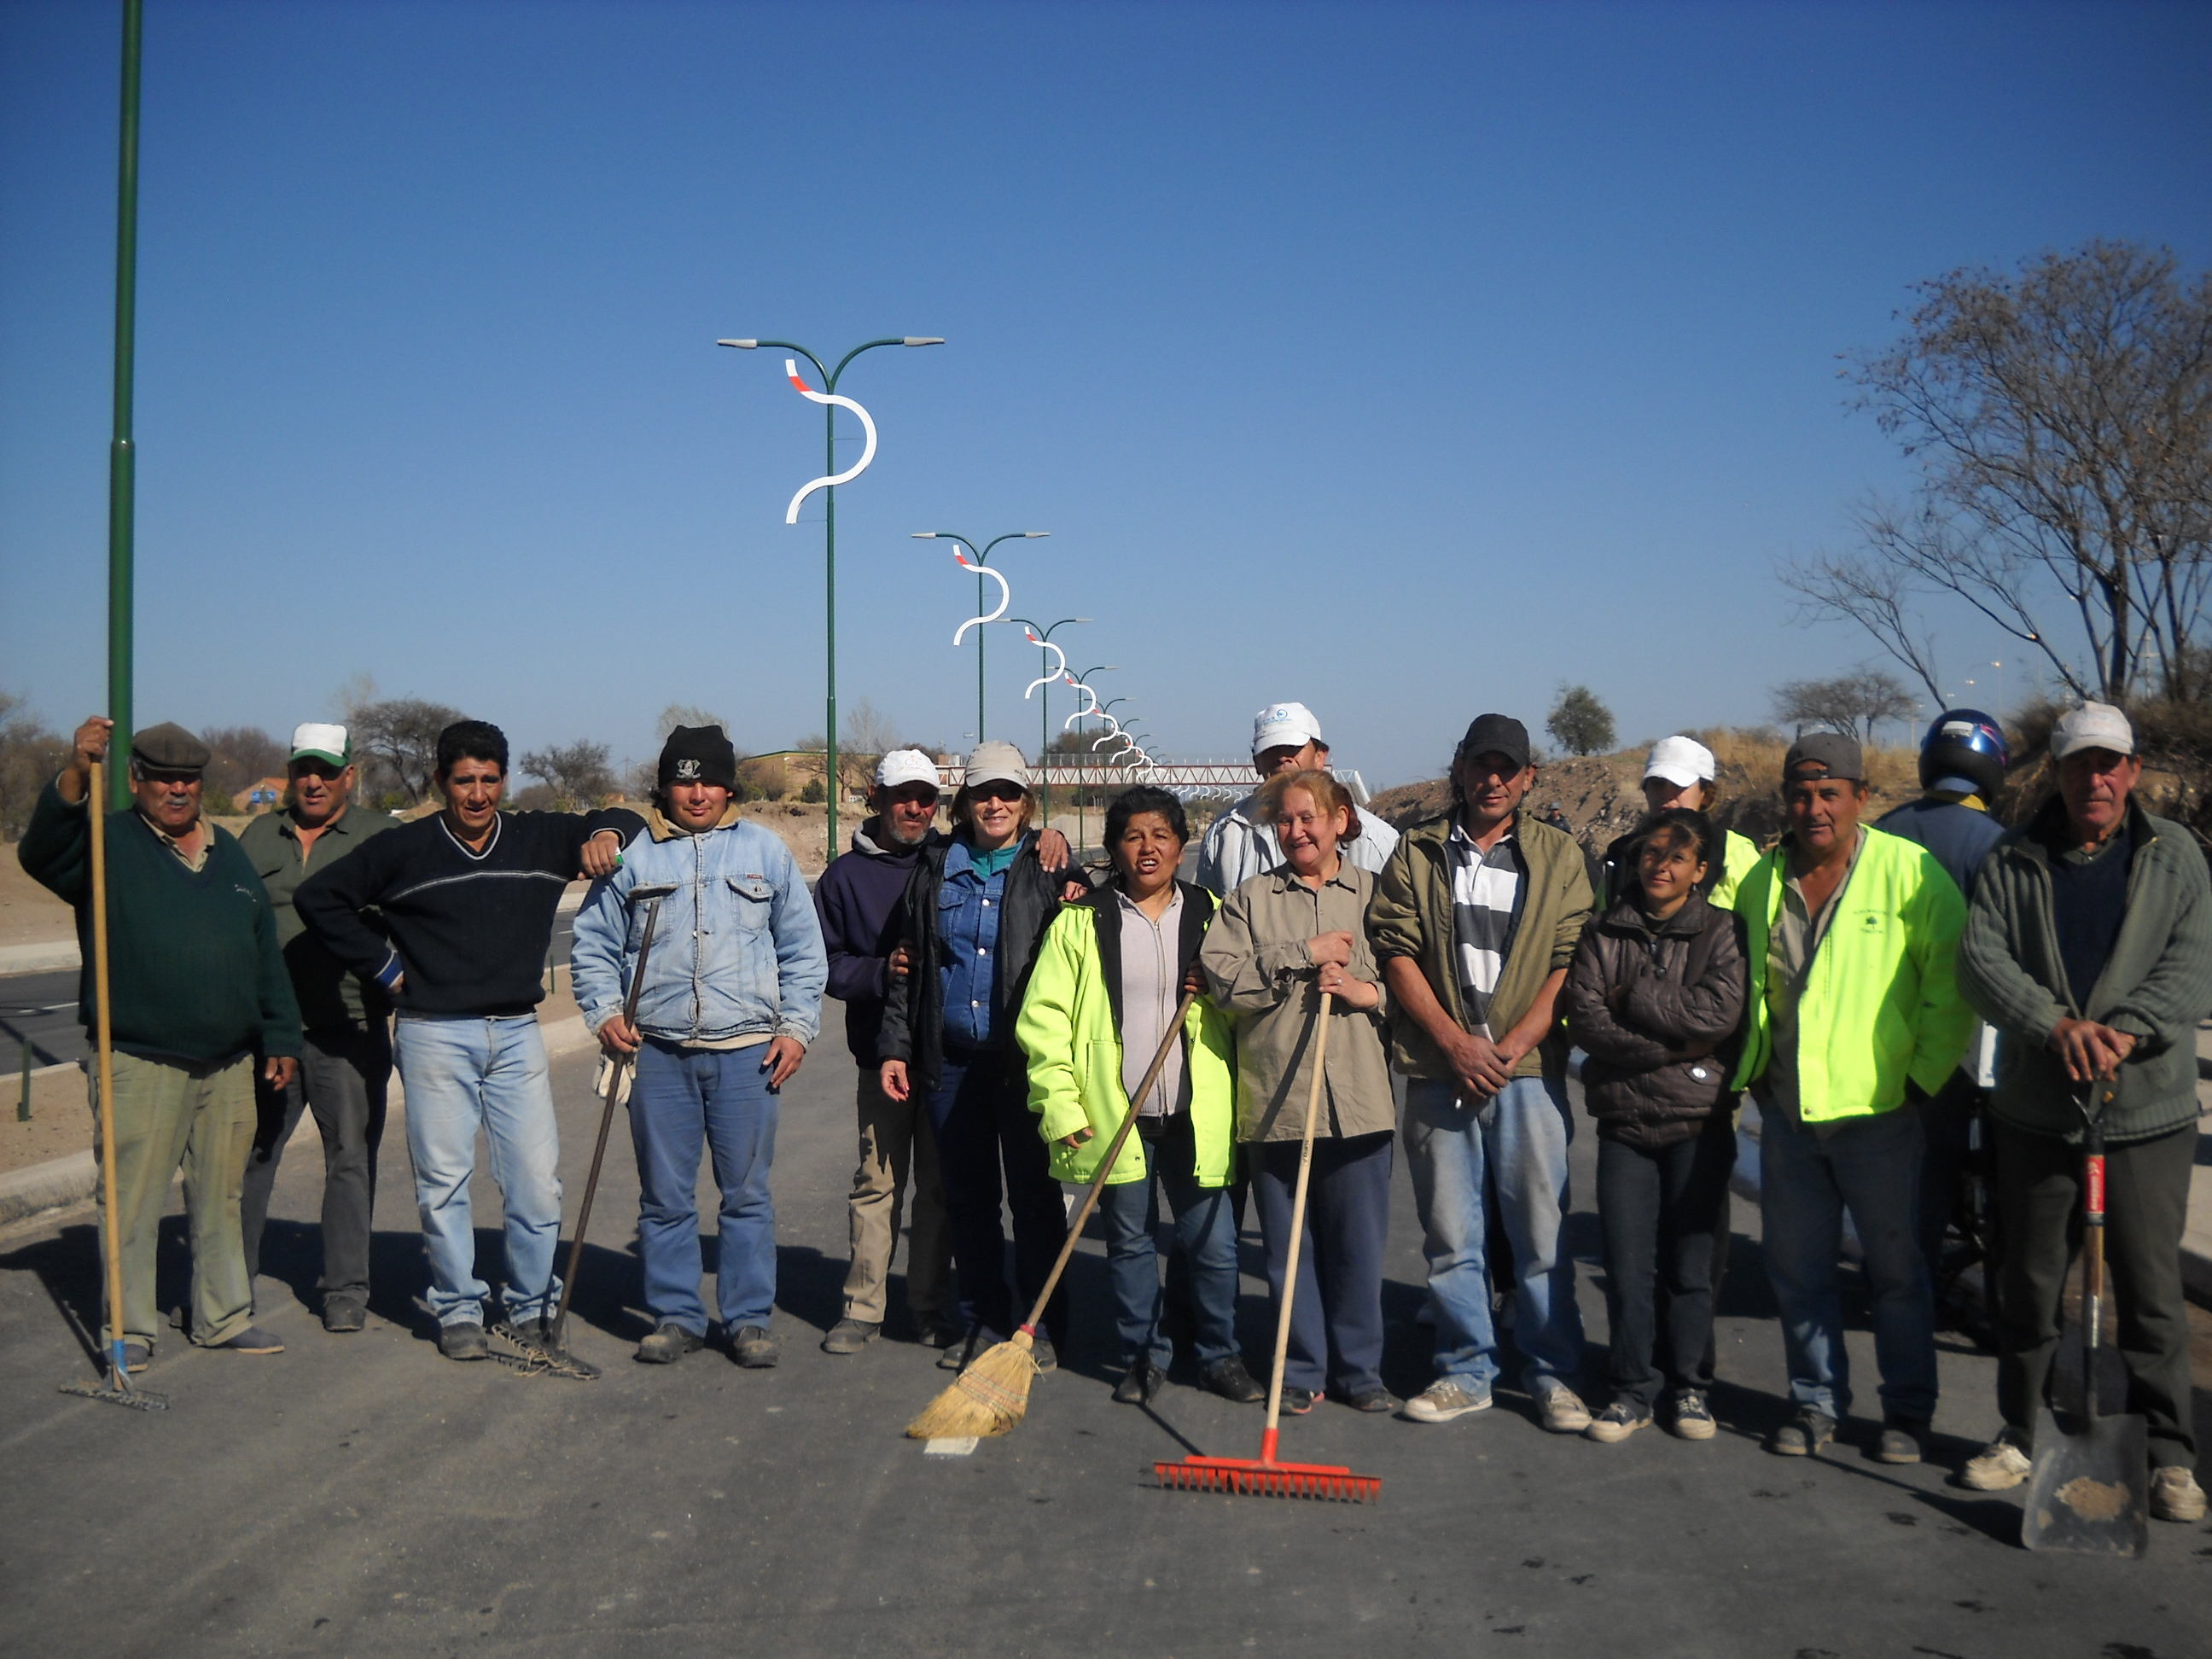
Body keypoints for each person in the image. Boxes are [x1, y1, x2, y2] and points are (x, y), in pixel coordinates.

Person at [296, 719, 641, 1361]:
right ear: (441, 782)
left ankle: (532, 1307)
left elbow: (628, 818)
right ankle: (457, 1308)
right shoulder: (405, 849)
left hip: (514, 1034)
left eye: (489, 779)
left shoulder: (540, 837)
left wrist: (604, 834)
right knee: (444, 1181)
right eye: (463, 781)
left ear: (504, 781)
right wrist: (381, 964)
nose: (477, 794)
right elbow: (321, 897)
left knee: (537, 1183)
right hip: (433, 1036)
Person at [1955, 702, 2212, 1523]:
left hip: (2146, 1114)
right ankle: (2017, 1433)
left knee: (2150, 1294)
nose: (2094, 779)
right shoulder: (2013, 857)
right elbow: (1980, 960)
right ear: (2055, 773)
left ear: (2133, 772)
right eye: (2078, 765)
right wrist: (2051, 1025)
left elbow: (2194, 960)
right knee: (2026, 1289)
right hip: (2040, 1112)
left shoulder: (2178, 858)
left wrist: (2128, 1030)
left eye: (2110, 765)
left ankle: (2170, 1457)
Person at [18, 718, 302, 1364]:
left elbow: (263, 951)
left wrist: (280, 1034)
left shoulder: (227, 853)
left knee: (220, 1197)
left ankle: (223, 1316)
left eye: (188, 780)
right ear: (135, 780)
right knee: (132, 1201)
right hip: (139, 1060)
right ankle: (130, 1330)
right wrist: (72, 772)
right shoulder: (107, 839)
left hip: (228, 1064)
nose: (177, 791)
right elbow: (39, 854)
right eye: (162, 780)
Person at [1730, 731, 1973, 1464]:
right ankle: (1814, 1402)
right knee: (1797, 1271)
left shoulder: (1910, 873)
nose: (1814, 808)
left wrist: (1919, 1083)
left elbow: (1950, 986)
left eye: (1830, 793)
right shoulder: (1760, 882)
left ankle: (1907, 1412)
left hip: (1883, 1117)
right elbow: (1749, 990)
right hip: (1791, 1117)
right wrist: (1759, 1080)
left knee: (1896, 1273)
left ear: (1861, 798)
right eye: (1801, 794)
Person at [570, 725, 824, 1368]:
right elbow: (593, 946)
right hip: (654, 1054)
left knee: (745, 1197)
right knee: (664, 1198)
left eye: (709, 779)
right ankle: (676, 1315)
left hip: (747, 1056)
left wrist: (795, 1030)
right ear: (664, 785)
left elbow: (802, 949)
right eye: (683, 779)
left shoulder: (766, 853)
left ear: (728, 785)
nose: (697, 792)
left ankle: (746, 1319)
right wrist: (604, 1014)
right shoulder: (635, 855)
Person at [1370, 713, 1593, 1431]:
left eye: (1508, 768)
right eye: (1480, 765)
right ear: (1460, 767)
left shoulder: (1559, 856)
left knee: (1540, 1234)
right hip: (1442, 1072)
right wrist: (1453, 1043)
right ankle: (1465, 1370)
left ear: (1529, 778)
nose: (1492, 780)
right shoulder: (1419, 850)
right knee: (1450, 1235)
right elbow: (1395, 948)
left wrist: (1513, 1044)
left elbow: (1572, 958)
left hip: (1525, 1075)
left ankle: (1553, 1371)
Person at [814, 749, 1075, 1354]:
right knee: (969, 1199)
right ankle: (981, 1321)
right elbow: (913, 971)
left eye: (1009, 793)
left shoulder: (1048, 870)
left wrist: (1065, 857)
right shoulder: (934, 868)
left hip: (1023, 1065)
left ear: (1026, 803)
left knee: (1034, 1202)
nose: (996, 804)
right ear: (964, 804)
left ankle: (1041, 1327)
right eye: (984, 793)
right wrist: (896, 1047)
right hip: (951, 1062)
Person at [1018, 786, 1261, 1406]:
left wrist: (1222, 987)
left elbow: (1251, 1007)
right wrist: (1062, 1106)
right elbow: (1043, 1021)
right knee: (1129, 1242)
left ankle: (1218, 1354)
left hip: (1196, 1112)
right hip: (1115, 1113)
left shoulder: (1216, 915)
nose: (1147, 848)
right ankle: (1143, 1356)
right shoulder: (1080, 921)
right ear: (1115, 849)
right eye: (1133, 836)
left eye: (1160, 835)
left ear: (1183, 845)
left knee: (1214, 1242)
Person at [1201, 768, 1398, 1414]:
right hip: (1279, 1102)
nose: (1296, 830)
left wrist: (1369, 992)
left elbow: (1420, 981)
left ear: (1341, 819)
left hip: (1361, 1101)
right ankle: (1301, 1369)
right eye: (1285, 820)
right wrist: (1298, 954)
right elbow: (1222, 983)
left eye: (1308, 816)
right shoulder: (1250, 900)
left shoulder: (1378, 894)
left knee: (1358, 1250)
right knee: (1290, 1256)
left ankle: (1361, 1372)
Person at [1562, 809, 1746, 1443]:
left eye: (1676, 858)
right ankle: (1631, 1388)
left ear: (1700, 871)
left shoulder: (1724, 932)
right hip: (1624, 1124)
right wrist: (1671, 1050)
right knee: (1627, 1262)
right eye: (1651, 854)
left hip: (1699, 1124)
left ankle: (1690, 1387)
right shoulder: (1602, 931)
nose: (1660, 867)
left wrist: (1635, 1001)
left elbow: (1718, 1014)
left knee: (1693, 1266)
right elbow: (1587, 1020)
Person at [235, 723, 396, 1334]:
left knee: (350, 1159)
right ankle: (228, 1284)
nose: (313, 781)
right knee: (251, 1159)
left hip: (348, 1029)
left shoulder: (380, 838)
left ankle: (345, 1289)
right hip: (270, 1032)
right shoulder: (258, 836)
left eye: (326, 771)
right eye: (304, 768)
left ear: (349, 776)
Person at [1874, 709, 2012, 1303]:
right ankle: (1919, 1288)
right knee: (1945, 1164)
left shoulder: (1883, 831)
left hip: (1882, 1029)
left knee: (1898, 1168)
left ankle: (1894, 1278)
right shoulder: (2000, 844)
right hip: (1968, 1036)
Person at [1196, 701, 1400, 897]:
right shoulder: (1225, 834)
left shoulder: (1374, 840)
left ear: (1320, 756)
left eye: (1293, 749)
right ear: (1256, 761)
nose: (1283, 758)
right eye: (1271, 750)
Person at [1595, 736, 1762, 913]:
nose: (1667, 795)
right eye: (1658, 784)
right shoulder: (1621, 854)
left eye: (1678, 786)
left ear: (1705, 793)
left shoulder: (1737, 853)